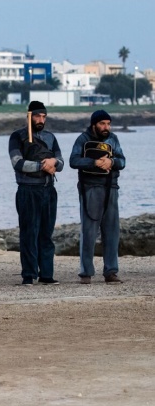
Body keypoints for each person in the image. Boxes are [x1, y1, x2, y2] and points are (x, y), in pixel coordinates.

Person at [8, 101, 64, 285]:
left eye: (43, 116)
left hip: (48, 190)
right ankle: (29, 275)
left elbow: (61, 163)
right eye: (37, 116)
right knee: (29, 233)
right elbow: (17, 163)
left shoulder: (50, 137)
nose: (40, 120)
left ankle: (46, 274)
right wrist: (43, 165)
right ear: (29, 116)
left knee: (46, 234)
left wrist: (53, 163)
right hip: (27, 190)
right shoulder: (17, 137)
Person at [69, 110, 126, 284]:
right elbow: (73, 161)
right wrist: (94, 162)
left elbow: (122, 161)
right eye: (102, 124)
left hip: (111, 188)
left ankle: (111, 272)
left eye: (108, 124)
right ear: (94, 124)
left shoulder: (113, 139)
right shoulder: (82, 140)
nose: (106, 127)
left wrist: (112, 162)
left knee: (112, 231)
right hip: (90, 188)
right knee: (89, 231)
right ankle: (86, 272)